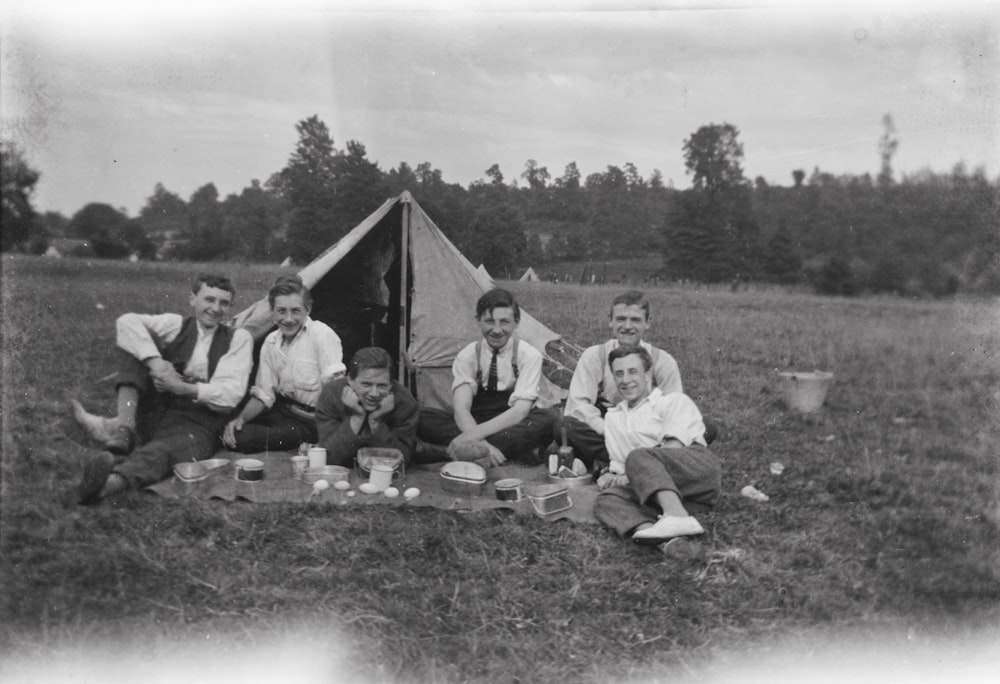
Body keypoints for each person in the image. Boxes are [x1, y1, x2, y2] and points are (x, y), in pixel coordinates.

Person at [74, 274, 254, 504]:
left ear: (230, 307)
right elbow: (126, 322)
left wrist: (181, 387)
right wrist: (156, 363)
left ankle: (106, 485)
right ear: (193, 299)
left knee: (163, 451)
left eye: (224, 303)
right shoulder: (176, 324)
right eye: (209, 300)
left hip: (199, 420)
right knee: (137, 346)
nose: (215, 308)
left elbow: (230, 395)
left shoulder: (238, 338)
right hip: (158, 409)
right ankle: (125, 429)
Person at [593, 345, 721, 547]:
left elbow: (673, 448)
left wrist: (632, 471)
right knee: (606, 500)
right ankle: (663, 541)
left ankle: (677, 517)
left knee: (637, 457)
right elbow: (620, 470)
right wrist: (611, 477)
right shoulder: (613, 418)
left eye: (633, 371)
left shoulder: (672, 402)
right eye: (619, 374)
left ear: (648, 374)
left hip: (695, 474)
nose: (625, 380)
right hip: (675, 496)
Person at [417, 288, 556, 467]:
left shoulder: (528, 355)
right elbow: (461, 409)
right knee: (422, 417)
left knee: (547, 420)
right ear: (478, 321)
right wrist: (483, 444)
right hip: (475, 422)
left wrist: (469, 437)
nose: (496, 330)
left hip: (510, 424)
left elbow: (519, 412)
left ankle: (452, 452)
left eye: (504, 322)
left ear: (516, 323)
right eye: (489, 321)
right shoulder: (468, 355)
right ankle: (492, 453)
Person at [560, 290, 685, 471]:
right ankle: (639, 464)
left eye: (635, 320)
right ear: (610, 320)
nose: (627, 326)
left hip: (646, 432)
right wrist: (607, 430)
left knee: (704, 427)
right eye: (620, 319)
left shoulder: (662, 361)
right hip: (606, 428)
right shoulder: (595, 355)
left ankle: (607, 463)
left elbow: (675, 412)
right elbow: (578, 405)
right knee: (564, 425)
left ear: (648, 323)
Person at [221, 275, 344, 453]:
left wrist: (329, 435)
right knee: (230, 424)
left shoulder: (321, 335)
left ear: (307, 309)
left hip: (312, 421)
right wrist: (240, 420)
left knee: (244, 439)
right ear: (272, 312)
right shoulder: (271, 341)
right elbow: (264, 393)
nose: (288, 319)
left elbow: (335, 390)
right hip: (283, 411)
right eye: (281, 311)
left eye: (295, 311)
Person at [315, 346, 418, 466]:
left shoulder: (404, 400)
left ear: (391, 384)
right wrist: (357, 417)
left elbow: (401, 461)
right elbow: (329, 458)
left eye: (382, 386)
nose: (374, 393)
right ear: (350, 380)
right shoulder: (331, 394)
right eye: (366, 384)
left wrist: (376, 421)